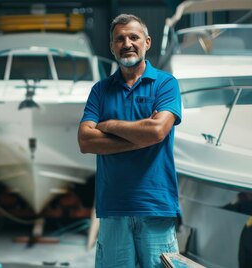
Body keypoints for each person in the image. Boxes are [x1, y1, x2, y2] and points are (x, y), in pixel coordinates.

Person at [77, 14, 182, 268]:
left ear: (147, 42)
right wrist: (141, 136)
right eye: (120, 39)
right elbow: (86, 141)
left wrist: (110, 125)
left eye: (134, 37)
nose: (127, 43)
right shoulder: (100, 90)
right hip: (114, 206)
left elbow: (157, 131)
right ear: (112, 47)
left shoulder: (165, 84)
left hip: (156, 205)